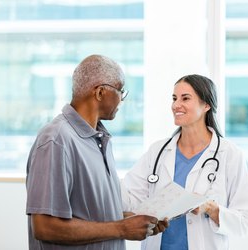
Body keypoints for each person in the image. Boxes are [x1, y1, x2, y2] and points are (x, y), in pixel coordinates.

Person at [26, 54, 167, 249]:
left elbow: (92, 215)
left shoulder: (99, 139)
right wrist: (121, 228)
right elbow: (45, 227)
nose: (121, 99)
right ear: (100, 92)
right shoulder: (56, 140)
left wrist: (132, 221)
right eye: (120, 91)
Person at [121, 74, 248, 250]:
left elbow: (246, 222)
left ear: (206, 105)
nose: (176, 105)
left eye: (185, 98)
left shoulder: (229, 155)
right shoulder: (158, 151)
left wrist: (212, 209)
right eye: (174, 98)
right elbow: (130, 197)